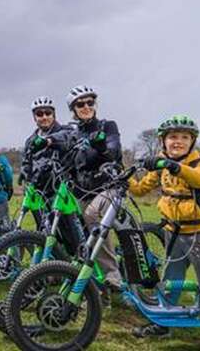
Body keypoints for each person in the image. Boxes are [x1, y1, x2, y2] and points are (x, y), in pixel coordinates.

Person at [128, 115, 200, 351]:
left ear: (192, 141)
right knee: (170, 283)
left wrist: (173, 166)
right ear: (163, 141)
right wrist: (123, 174)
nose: (178, 142)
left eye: (184, 137)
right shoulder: (161, 167)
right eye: (172, 137)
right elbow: (139, 190)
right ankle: (163, 324)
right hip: (173, 233)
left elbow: (198, 180)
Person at [32, 86, 124, 294]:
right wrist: (47, 141)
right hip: (83, 190)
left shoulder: (107, 126)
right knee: (73, 225)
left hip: (109, 186)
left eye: (90, 103)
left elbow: (113, 150)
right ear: (73, 109)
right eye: (80, 104)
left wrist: (101, 146)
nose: (86, 107)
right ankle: (80, 274)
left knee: (93, 216)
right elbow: (62, 139)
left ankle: (112, 274)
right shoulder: (74, 131)